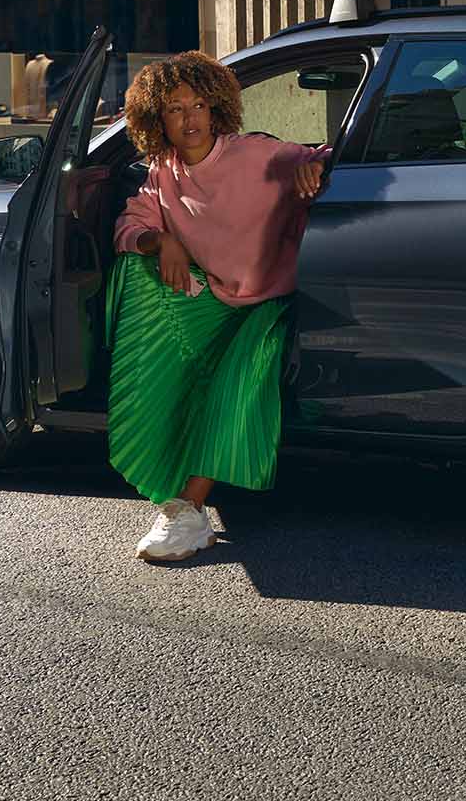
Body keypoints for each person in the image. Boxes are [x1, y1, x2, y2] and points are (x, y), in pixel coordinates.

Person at [106, 50, 328, 562]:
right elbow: (127, 227)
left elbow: (326, 155)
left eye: (200, 105)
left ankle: (186, 511)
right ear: (156, 118)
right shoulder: (161, 172)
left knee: (232, 379)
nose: (190, 119)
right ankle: (163, 443)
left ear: (217, 109)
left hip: (270, 302)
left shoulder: (255, 154)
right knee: (133, 269)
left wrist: (315, 166)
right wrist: (160, 241)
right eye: (176, 108)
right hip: (214, 299)